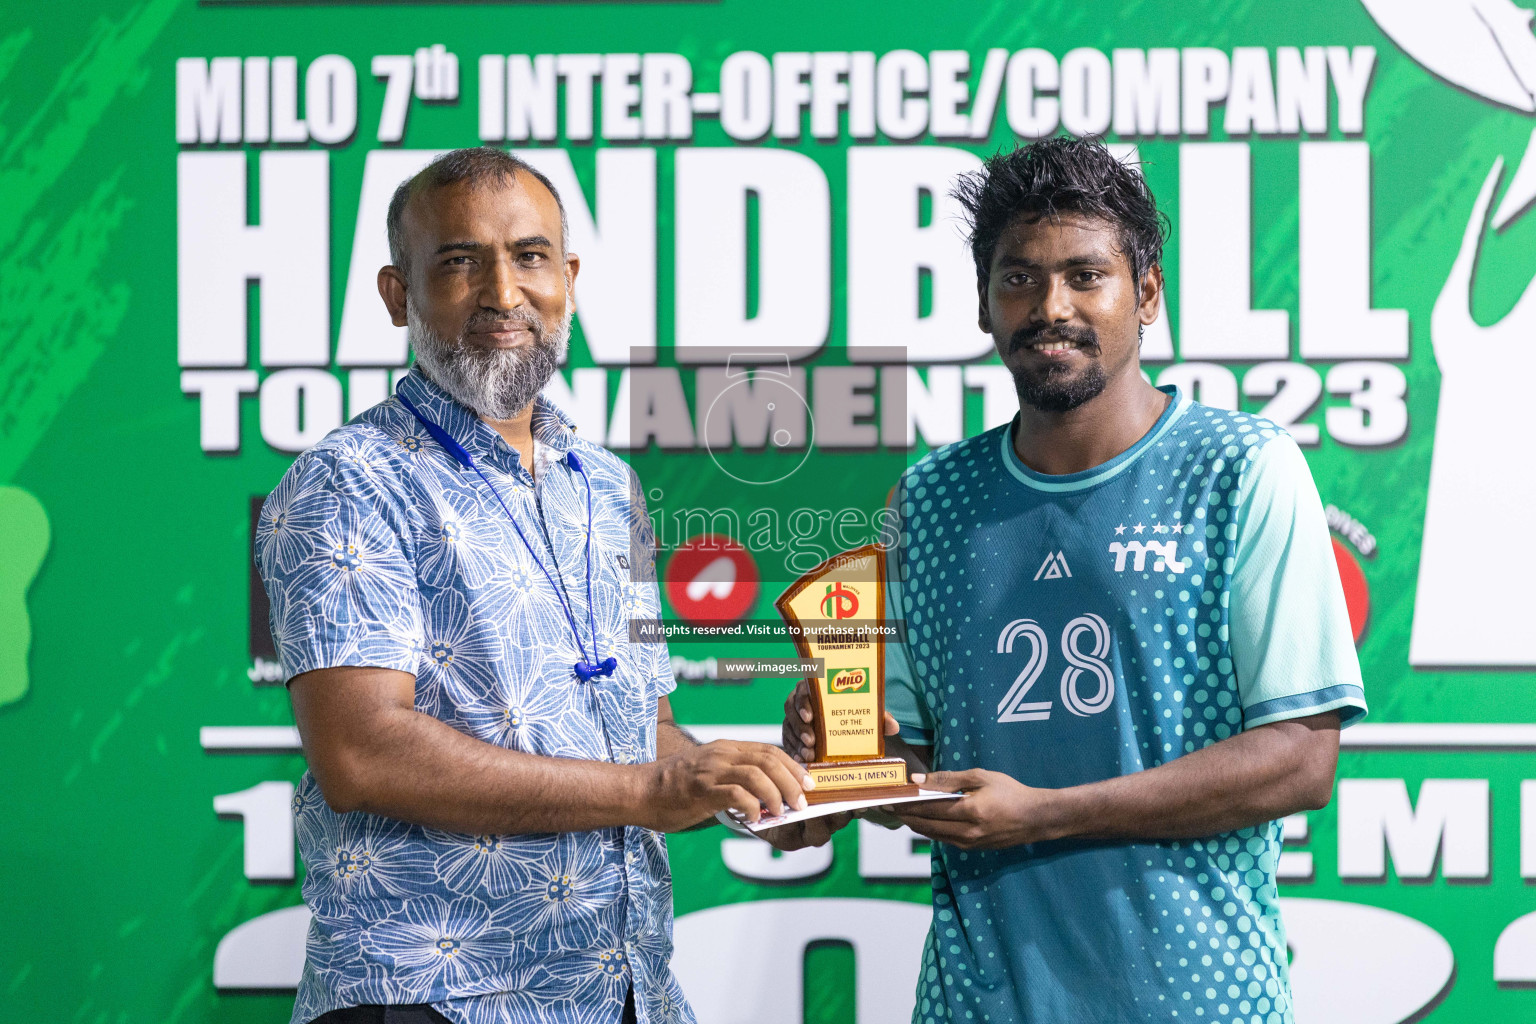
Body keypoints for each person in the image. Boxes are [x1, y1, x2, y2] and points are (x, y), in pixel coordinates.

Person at [775, 136, 1366, 1023]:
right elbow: (911, 763)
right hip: (980, 1000)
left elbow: (1297, 760)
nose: (1051, 306)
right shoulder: (929, 501)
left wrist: (1046, 813)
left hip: (1196, 1000)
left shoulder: (1242, 468)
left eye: (1086, 276)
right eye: (1020, 279)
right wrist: (845, 757)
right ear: (984, 305)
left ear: (1148, 295)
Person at [256, 147, 811, 1024]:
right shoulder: (348, 480)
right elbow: (361, 754)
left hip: (622, 990)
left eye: (530, 255)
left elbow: (646, 735)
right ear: (398, 295)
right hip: (435, 998)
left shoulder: (605, 484)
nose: (504, 294)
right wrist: (653, 792)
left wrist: (751, 792)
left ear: (570, 280)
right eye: (460, 261)